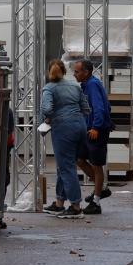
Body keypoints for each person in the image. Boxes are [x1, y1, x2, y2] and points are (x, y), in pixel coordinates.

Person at [38, 59, 90, 219]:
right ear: (65, 71)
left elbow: (46, 108)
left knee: (67, 167)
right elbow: (86, 108)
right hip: (80, 126)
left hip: (63, 128)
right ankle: (60, 203)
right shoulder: (75, 86)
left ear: (49, 72)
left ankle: (75, 206)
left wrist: (47, 119)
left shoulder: (49, 89)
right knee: (64, 164)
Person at [72, 59, 112, 215]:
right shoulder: (86, 85)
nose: (74, 74)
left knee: (96, 164)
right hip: (88, 129)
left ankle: (96, 202)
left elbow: (100, 107)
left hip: (96, 130)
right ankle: (101, 188)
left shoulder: (92, 85)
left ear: (86, 72)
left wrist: (96, 127)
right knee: (80, 159)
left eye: (77, 71)